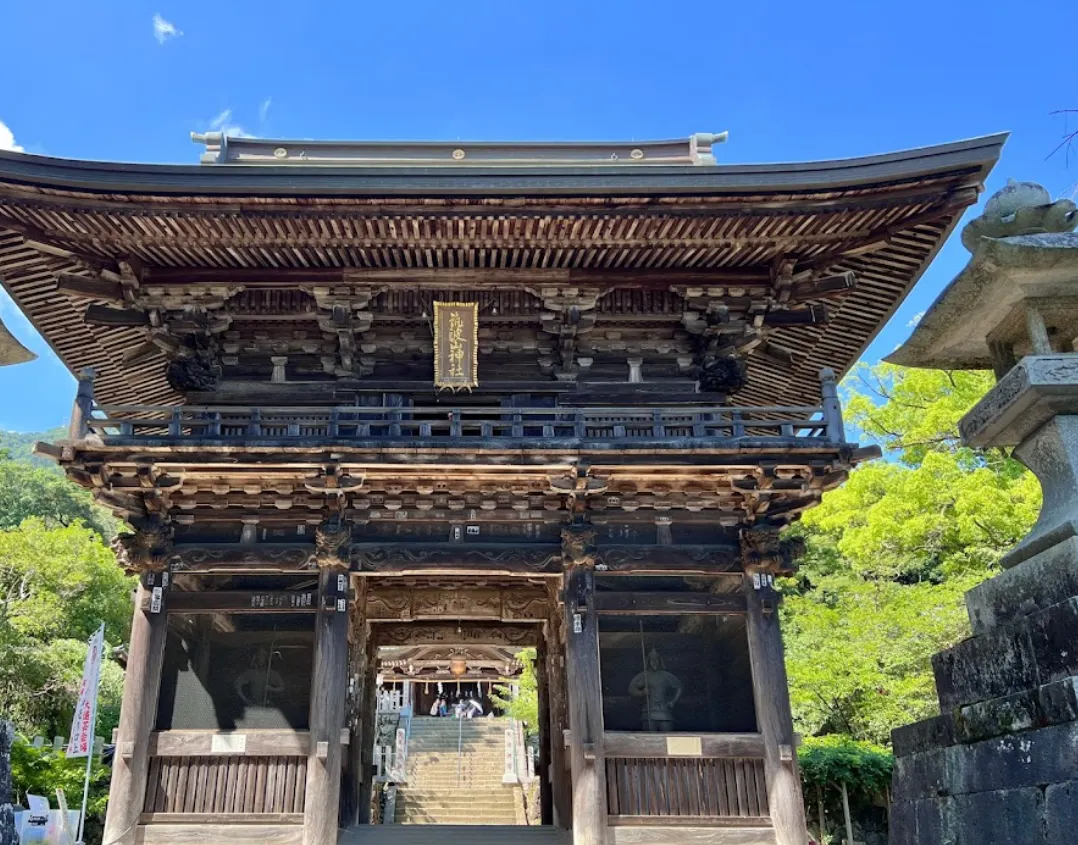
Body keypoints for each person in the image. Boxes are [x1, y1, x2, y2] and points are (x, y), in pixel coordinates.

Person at [628, 648, 683, 732]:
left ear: (660, 661)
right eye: (652, 660)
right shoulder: (644, 676)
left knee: (667, 735)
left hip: (664, 712)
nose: (654, 662)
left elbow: (679, 686)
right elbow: (631, 689)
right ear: (648, 662)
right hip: (648, 712)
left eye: (656, 660)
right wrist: (642, 692)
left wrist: (672, 701)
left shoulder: (666, 676)